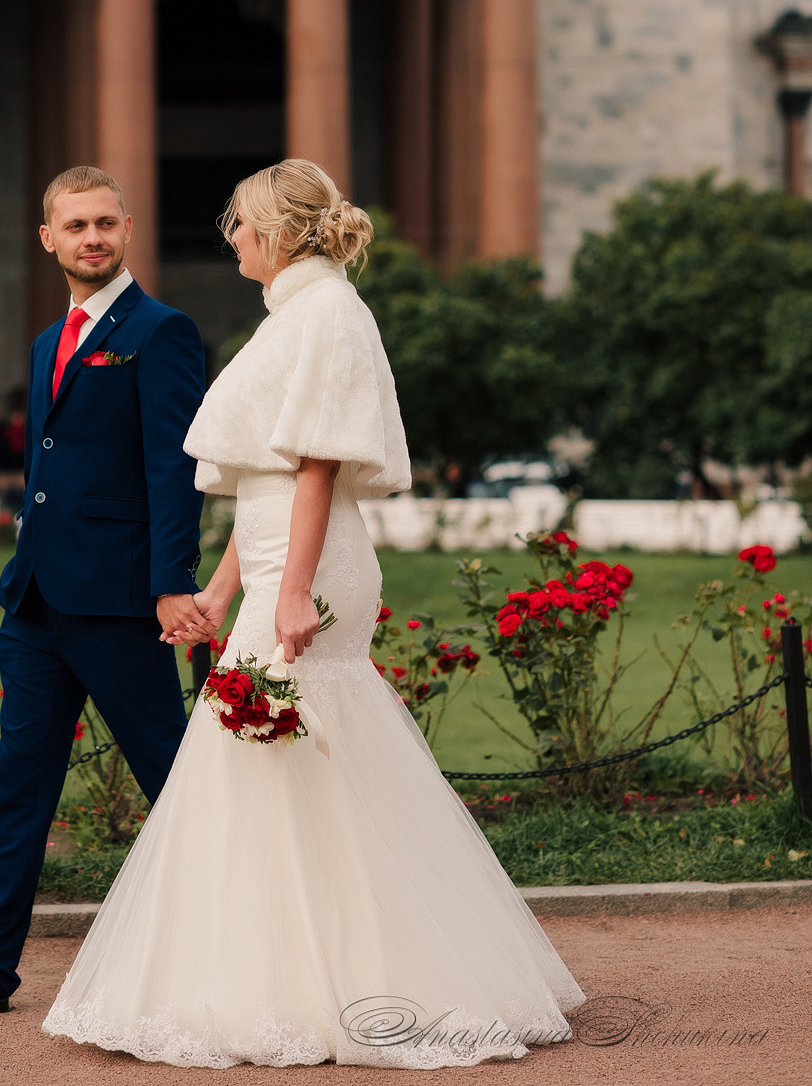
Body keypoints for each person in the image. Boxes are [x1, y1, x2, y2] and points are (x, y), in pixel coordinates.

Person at [43, 159, 586, 1068]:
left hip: (313, 567)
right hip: (275, 561)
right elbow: (265, 476)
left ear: (283, 233)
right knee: (289, 767)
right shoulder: (296, 314)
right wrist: (224, 590)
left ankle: (337, 982)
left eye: (244, 225)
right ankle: (304, 970)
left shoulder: (329, 312)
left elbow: (318, 468)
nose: (234, 239)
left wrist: (290, 591)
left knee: (275, 754)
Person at [0, 165, 213, 1015]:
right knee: (19, 787)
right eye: (75, 225)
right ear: (48, 238)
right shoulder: (45, 340)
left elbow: (176, 471)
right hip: (34, 606)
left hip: (122, 604)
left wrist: (171, 584)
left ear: (128, 229)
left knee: (182, 782)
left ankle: (254, 942)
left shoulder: (161, 331)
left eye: (105, 223)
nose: (91, 238)